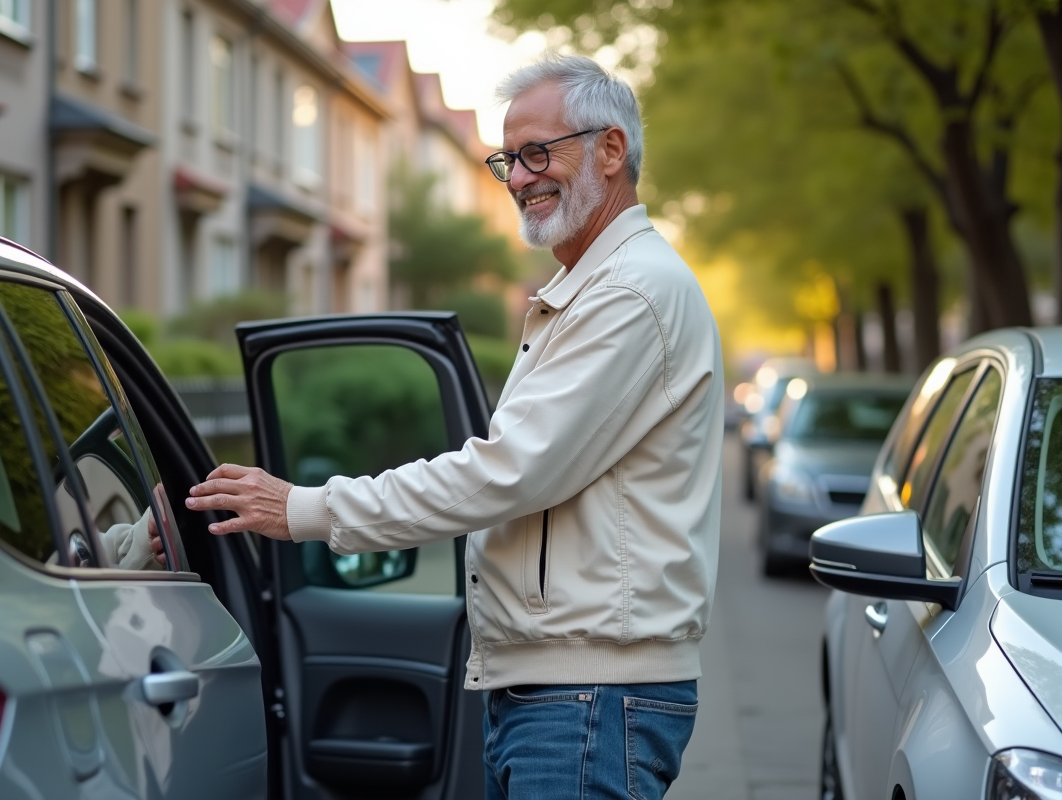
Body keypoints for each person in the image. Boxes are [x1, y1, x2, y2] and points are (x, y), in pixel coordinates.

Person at [187, 54, 723, 800]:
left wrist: (309, 508)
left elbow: (508, 471)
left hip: (590, 697)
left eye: (539, 153)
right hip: (566, 693)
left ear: (611, 150)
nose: (520, 178)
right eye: (509, 160)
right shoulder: (594, 289)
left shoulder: (629, 293)